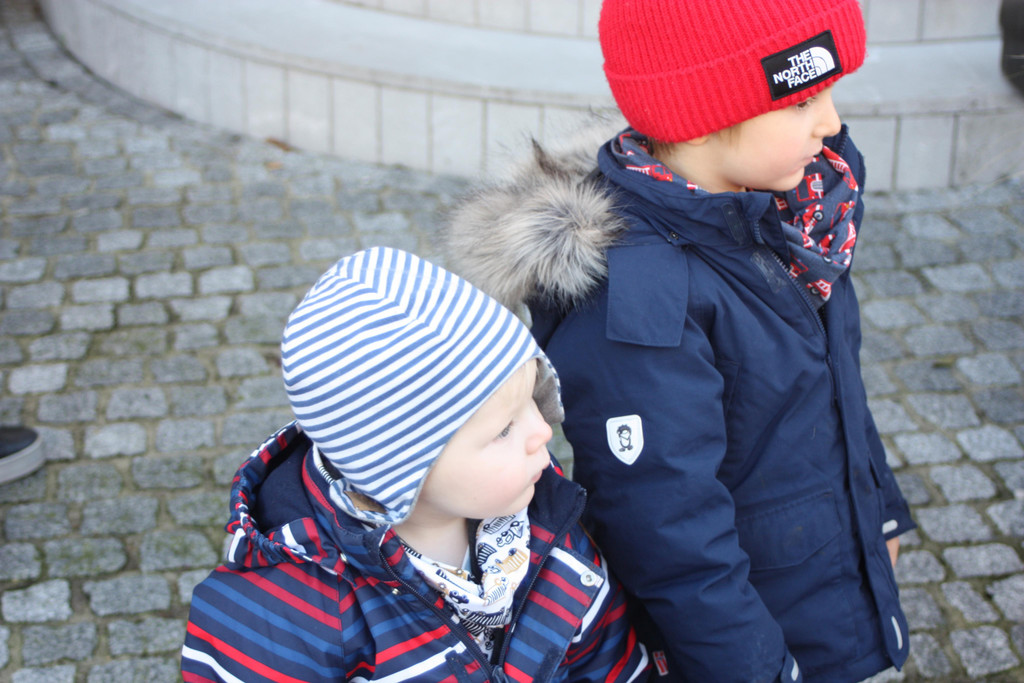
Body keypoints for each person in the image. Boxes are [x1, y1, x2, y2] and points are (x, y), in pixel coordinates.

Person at [444, 0, 915, 681]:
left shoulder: (802, 221)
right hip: (756, 633)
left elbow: (839, 391)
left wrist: (882, 514)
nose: (831, 123)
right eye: (802, 101)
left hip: (832, 592)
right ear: (704, 117)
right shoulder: (641, 294)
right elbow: (667, 532)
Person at [180, 247, 649, 682]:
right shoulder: (290, 617)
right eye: (504, 429)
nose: (543, 431)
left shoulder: (548, 528)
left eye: (532, 397)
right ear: (403, 471)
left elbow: (604, 660)